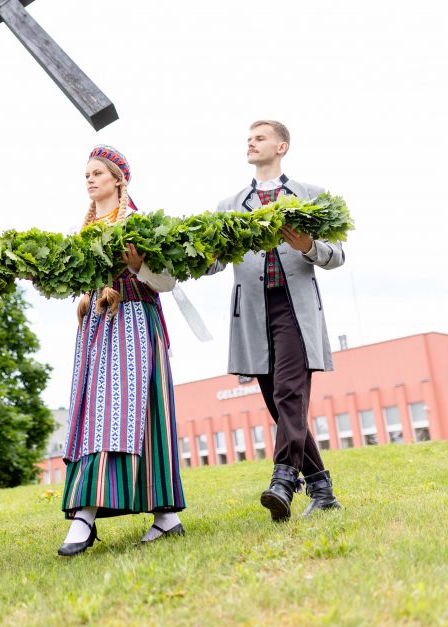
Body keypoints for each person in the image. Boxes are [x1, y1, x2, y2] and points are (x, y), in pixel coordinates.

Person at [207, 120, 344, 520]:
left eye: (260, 137)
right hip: (252, 311)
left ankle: (283, 481)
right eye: (248, 138)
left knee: (289, 395)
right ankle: (323, 492)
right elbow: (213, 263)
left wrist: (309, 246)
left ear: (281, 146)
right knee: (279, 403)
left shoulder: (312, 197)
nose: (251, 142)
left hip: (294, 309)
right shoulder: (229, 206)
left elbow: (336, 256)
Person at [59, 145, 186, 557]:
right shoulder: (85, 230)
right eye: (86, 175)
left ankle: (158, 515)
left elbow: (167, 281)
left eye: (98, 173)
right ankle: (92, 514)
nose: (90, 180)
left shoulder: (141, 223)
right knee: (99, 413)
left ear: (118, 179)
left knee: (142, 412)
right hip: (98, 327)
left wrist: (136, 266)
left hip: (135, 320)